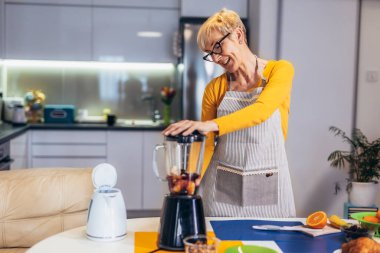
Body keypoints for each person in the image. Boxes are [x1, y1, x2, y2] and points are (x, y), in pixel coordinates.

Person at [163, 8, 296, 218]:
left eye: (218, 46)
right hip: (223, 189)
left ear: (239, 35)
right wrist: (193, 178)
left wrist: (210, 124)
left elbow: (261, 110)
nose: (215, 58)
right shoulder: (214, 89)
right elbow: (207, 144)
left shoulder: (279, 71)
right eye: (210, 53)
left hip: (269, 184)